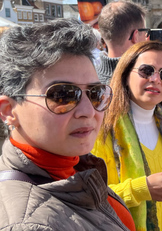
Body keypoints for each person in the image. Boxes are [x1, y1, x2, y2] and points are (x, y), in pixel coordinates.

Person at [0, 19, 135, 230]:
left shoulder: (72, 165)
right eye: (62, 95)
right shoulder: (29, 225)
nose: (88, 111)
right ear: (8, 110)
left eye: (96, 93)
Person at [92, 41, 162, 231]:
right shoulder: (101, 129)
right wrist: (143, 189)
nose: (156, 79)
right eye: (147, 71)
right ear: (125, 75)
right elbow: (90, 197)